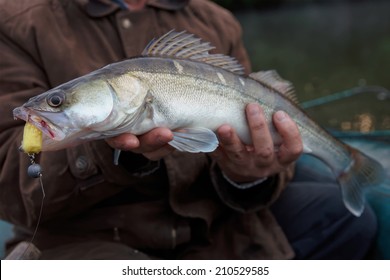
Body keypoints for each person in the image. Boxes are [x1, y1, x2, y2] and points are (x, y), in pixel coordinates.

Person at [0, 0, 377, 259]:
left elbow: (246, 152)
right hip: (90, 239)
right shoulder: (17, 20)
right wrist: (113, 153)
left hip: (211, 225)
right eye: (57, 101)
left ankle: (346, 164)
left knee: (346, 218)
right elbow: (12, 181)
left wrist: (246, 176)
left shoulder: (215, 19)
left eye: (57, 102)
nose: (52, 108)